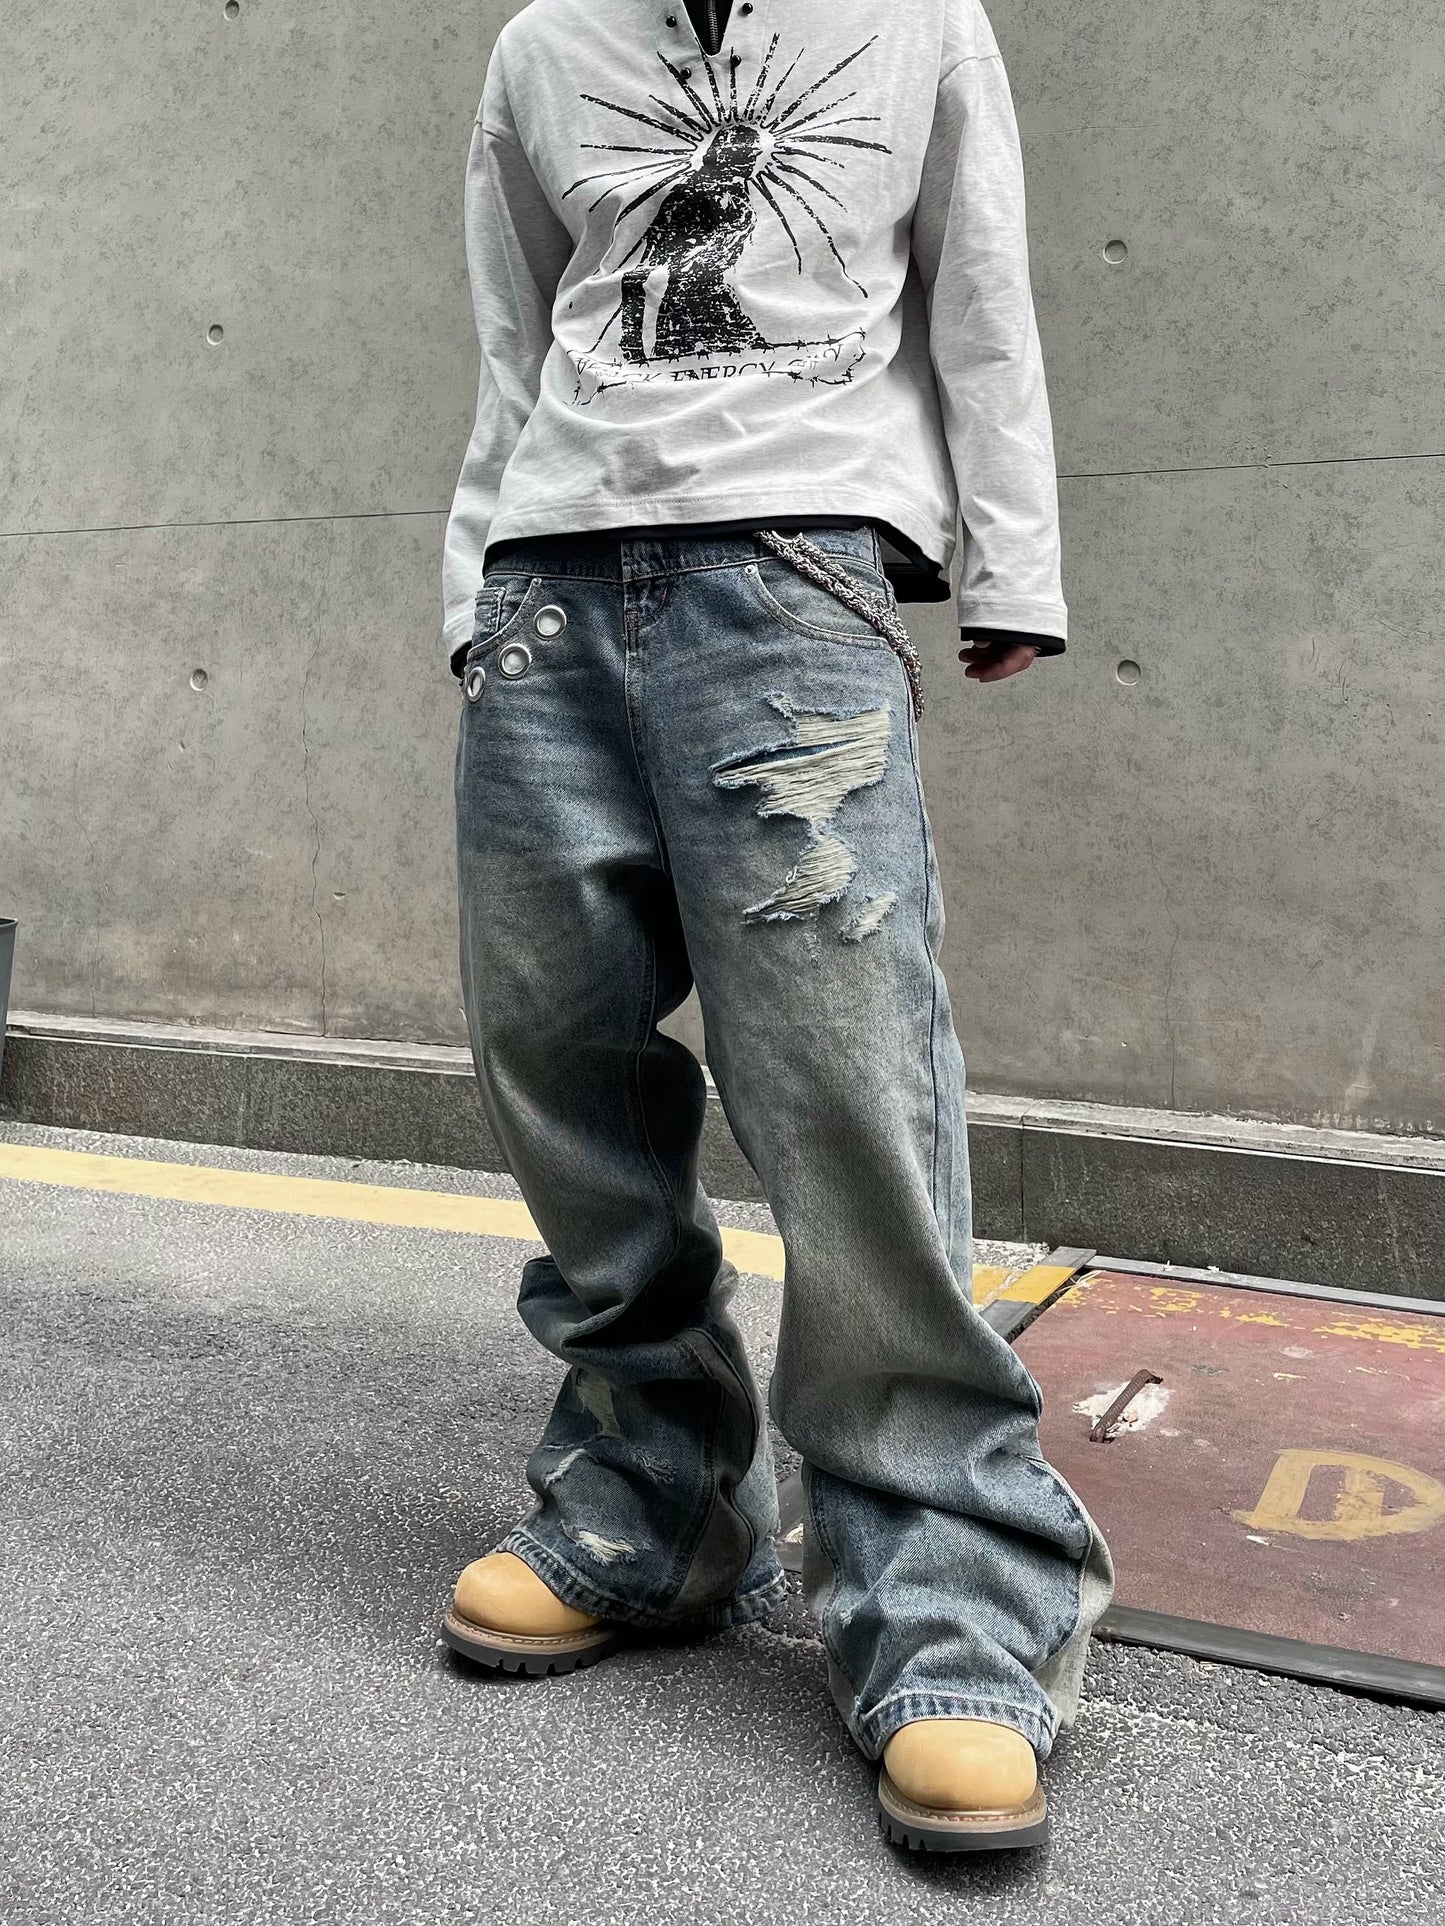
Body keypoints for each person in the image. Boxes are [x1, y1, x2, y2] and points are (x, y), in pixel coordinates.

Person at [439, 0, 1113, 1854]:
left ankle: (950, 1588)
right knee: (550, 1050)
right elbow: (514, 337)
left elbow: (980, 296)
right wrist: (472, 592)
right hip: (548, 588)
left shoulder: (914, 24)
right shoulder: (542, 44)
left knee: (840, 1077)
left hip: (794, 566)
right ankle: (649, 1496)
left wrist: (1011, 557)